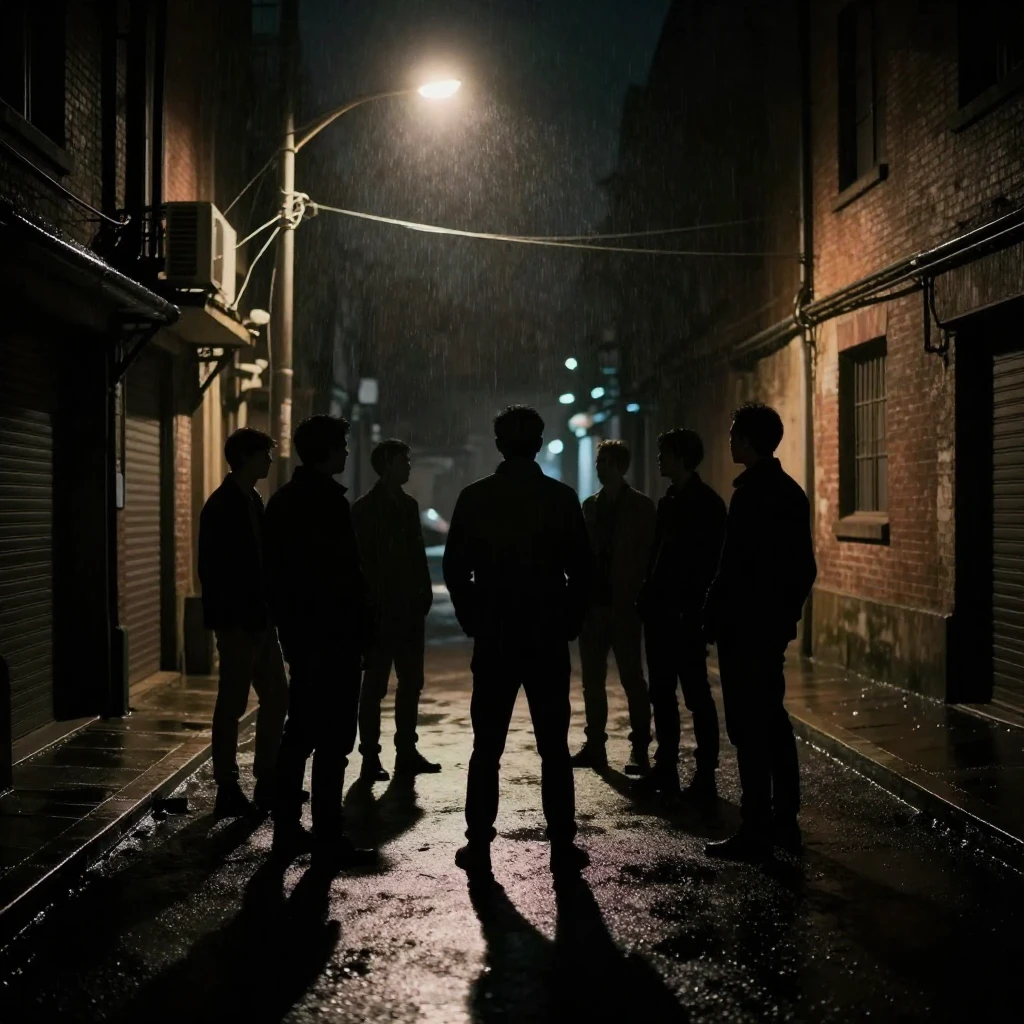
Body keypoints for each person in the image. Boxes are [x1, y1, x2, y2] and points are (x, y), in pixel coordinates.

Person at [443, 405, 593, 876]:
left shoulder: (476, 497)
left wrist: (474, 618)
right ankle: (562, 842)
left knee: (487, 745)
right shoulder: (560, 498)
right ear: (541, 444)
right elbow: (583, 569)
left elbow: (455, 568)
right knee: (554, 745)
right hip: (545, 634)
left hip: (497, 635)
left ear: (498, 445)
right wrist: (567, 619)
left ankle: (479, 842)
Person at [703, 404, 816, 859]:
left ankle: (756, 826)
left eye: (733, 435)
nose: (728, 442)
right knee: (770, 720)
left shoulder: (753, 494)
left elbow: (733, 567)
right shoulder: (788, 491)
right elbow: (800, 568)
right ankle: (783, 820)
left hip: (746, 629)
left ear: (749, 441)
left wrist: (719, 612)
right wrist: (782, 619)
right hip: (763, 628)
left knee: (750, 726)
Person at [263, 415, 376, 865]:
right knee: (330, 740)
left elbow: (276, 579)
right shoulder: (324, 503)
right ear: (327, 451)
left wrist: (292, 632)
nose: (348, 453)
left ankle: (289, 828)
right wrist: (360, 631)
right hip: (333, 638)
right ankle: (325, 834)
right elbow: (345, 578)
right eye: (342, 446)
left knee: (302, 733)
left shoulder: (286, 501)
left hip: (307, 637)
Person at [198, 427, 288, 818]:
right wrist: (233, 620)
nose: (270, 460)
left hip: (262, 620)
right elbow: (215, 571)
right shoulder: (223, 505)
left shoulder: (253, 499)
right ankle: (228, 786)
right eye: (265, 454)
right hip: (239, 622)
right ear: (248, 457)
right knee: (232, 703)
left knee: (277, 698)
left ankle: (267, 781)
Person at [637, 429, 726, 806]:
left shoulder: (706, 503)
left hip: (686, 614)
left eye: (664, 453)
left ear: (680, 457)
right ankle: (666, 766)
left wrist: (697, 610)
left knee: (695, 695)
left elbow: (709, 564)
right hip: (660, 612)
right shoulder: (670, 499)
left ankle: (705, 774)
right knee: (661, 692)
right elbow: (659, 555)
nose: (659, 460)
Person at [352, 439, 440, 781]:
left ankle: (406, 750)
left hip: (407, 610)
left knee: (410, 682)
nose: (408, 466)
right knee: (374, 686)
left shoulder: (408, 505)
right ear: (387, 463)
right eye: (404, 461)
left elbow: (417, 555)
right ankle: (370, 757)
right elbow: (361, 564)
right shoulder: (364, 509)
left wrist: (424, 593)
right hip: (379, 611)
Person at [571, 440, 656, 775]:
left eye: (606, 461)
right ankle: (595, 745)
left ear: (621, 466)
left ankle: (639, 748)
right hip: (593, 606)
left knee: (632, 679)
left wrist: (638, 593)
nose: (600, 466)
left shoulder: (640, 507)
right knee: (592, 681)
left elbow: (647, 556)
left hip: (624, 606)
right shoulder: (590, 506)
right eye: (598, 460)